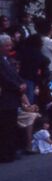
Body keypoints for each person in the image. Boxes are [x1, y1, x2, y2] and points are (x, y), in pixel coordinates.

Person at [0, 34, 26, 163]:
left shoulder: (8, 59)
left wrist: (22, 83)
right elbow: (4, 78)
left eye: (10, 45)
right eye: (6, 45)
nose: (9, 47)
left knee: (11, 124)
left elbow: (15, 74)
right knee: (6, 126)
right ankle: (5, 153)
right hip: (5, 97)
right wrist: (17, 87)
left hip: (12, 97)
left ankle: (11, 151)